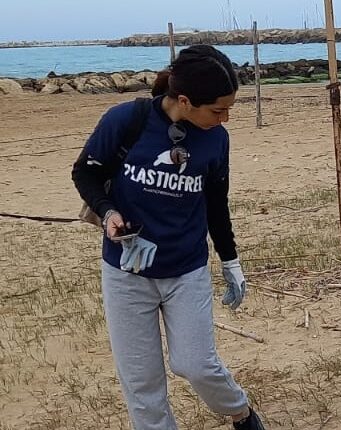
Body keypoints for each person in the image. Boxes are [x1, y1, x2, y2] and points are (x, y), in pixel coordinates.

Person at [71, 45, 265, 430]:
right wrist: (109, 213)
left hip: (185, 270)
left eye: (230, 108)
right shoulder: (126, 120)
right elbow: (85, 173)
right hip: (126, 272)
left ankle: (240, 413)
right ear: (184, 100)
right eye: (217, 110)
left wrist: (231, 262)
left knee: (195, 365)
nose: (225, 118)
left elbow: (216, 204)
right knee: (142, 385)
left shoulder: (216, 139)